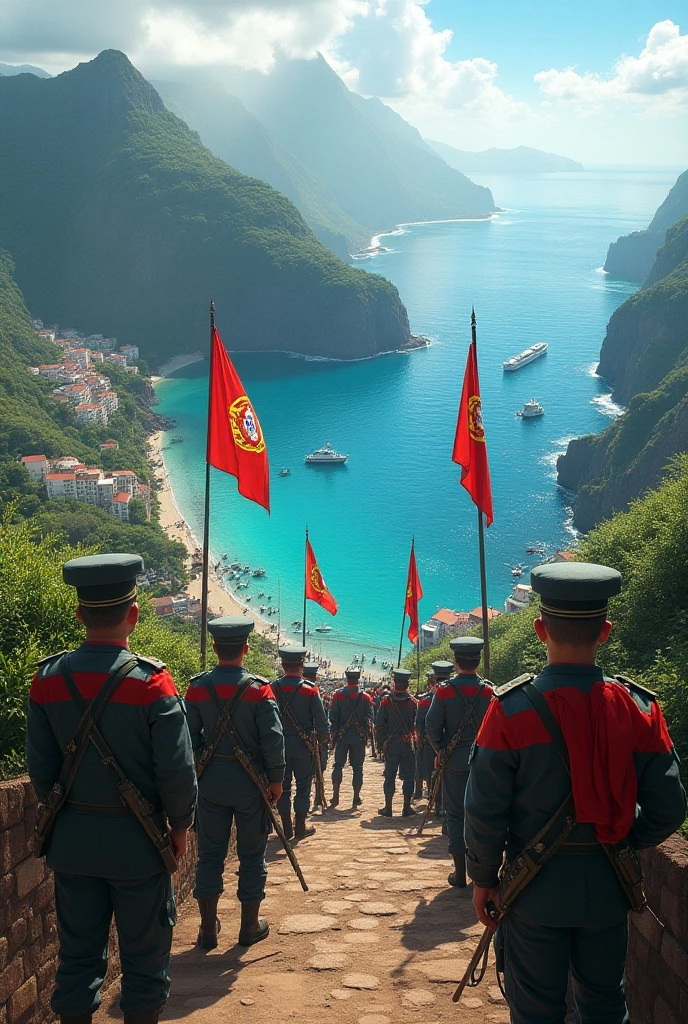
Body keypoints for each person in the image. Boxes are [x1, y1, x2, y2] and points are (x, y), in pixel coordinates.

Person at [465, 562, 687, 1024]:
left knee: (535, 1012)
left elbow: (484, 808)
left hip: (533, 892)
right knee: (606, 1006)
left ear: (539, 629)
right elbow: (669, 809)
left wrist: (484, 877)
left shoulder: (509, 711)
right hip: (609, 888)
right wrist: (622, 836)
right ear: (605, 632)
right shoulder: (641, 709)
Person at [27, 554, 197, 1024]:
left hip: (72, 846)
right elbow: (177, 771)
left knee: (77, 961)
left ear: (79, 613)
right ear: (135, 615)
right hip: (139, 848)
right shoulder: (153, 684)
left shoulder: (46, 680)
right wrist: (180, 825)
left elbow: (40, 773)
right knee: (145, 963)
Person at [186, 616, 285, 950]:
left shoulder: (197, 687)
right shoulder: (259, 689)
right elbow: (272, 739)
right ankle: (248, 927)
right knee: (252, 855)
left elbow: (187, 738)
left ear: (214, 648)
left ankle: (207, 931)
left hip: (210, 784)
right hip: (250, 786)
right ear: (245, 649)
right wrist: (276, 780)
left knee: (209, 857)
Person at [426, 638, 494, 887]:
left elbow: (431, 727)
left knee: (455, 814)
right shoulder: (489, 691)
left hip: (454, 761)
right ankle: (483, 872)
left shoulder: (443, 691)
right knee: (483, 814)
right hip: (484, 762)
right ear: (477, 661)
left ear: (456, 662)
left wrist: (441, 749)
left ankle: (459, 873)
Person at [271, 645, 329, 840]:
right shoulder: (311, 691)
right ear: (302, 665)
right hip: (304, 747)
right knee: (303, 787)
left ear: (282, 664)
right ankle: (300, 827)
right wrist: (321, 742)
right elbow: (321, 723)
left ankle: (286, 828)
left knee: (283, 787)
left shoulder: (272, 688)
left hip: (278, 747)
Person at [328, 668, 375, 808]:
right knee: (358, 768)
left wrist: (334, 735)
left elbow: (332, 717)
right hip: (359, 738)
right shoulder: (366, 697)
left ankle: (335, 796)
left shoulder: (338, 696)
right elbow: (370, 717)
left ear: (346, 678)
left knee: (338, 765)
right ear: (358, 679)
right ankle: (356, 797)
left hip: (342, 737)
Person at [375, 668, 418, 817]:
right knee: (409, 776)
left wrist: (381, 744)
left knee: (390, 776)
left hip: (392, 745)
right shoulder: (413, 703)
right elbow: (417, 724)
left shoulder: (386, 702)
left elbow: (379, 725)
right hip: (408, 745)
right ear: (407, 684)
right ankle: (406, 807)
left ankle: (388, 808)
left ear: (394, 683)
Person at [303, 662, 329, 807]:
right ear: (315, 677)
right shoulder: (313, 692)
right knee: (305, 782)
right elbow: (321, 719)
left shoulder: (278, 687)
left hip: (285, 742)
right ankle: (301, 821)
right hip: (310, 741)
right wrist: (324, 738)